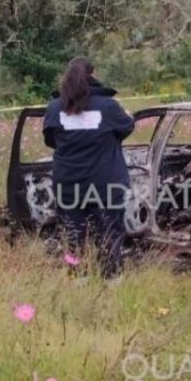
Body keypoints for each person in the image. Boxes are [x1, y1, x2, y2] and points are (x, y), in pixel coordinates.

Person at [42, 57, 135, 279]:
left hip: (69, 185)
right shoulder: (108, 106)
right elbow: (126, 127)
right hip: (106, 185)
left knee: (74, 236)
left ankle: (77, 280)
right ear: (93, 75)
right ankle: (111, 280)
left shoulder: (55, 108)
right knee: (110, 234)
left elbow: (50, 140)